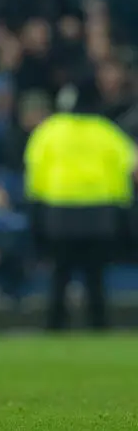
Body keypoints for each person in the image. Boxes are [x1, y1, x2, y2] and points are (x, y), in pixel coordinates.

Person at [24, 84, 135, 331]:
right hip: (100, 213)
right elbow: (130, 163)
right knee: (95, 275)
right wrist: (122, 205)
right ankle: (98, 325)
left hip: (59, 212)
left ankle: (55, 325)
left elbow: (34, 167)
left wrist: (36, 207)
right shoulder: (105, 130)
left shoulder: (50, 130)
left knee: (60, 274)